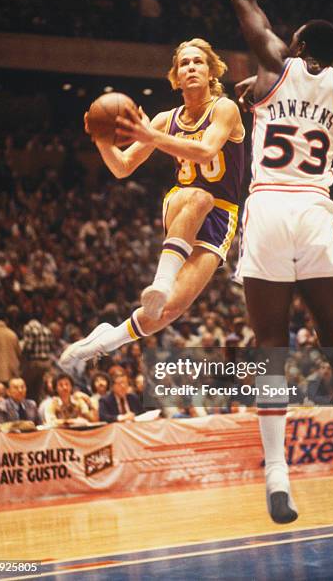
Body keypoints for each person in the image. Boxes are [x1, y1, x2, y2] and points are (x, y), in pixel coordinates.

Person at [231, 0, 333, 523]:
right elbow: (316, 79)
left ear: (295, 45)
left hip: (271, 205)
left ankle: (277, 473)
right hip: (317, 211)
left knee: (271, 343)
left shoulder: (275, 64)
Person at [60, 38, 244, 369]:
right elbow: (121, 167)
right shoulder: (163, 119)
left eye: (198, 62)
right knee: (198, 195)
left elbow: (205, 152)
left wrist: (151, 137)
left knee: (168, 310)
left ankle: (103, 341)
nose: (190, 67)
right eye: (184, 63)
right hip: (183, 202)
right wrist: (102, 140)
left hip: (222, 216)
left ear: (211, 71)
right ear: (175, 75)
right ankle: (160, 281)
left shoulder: (225, 108)